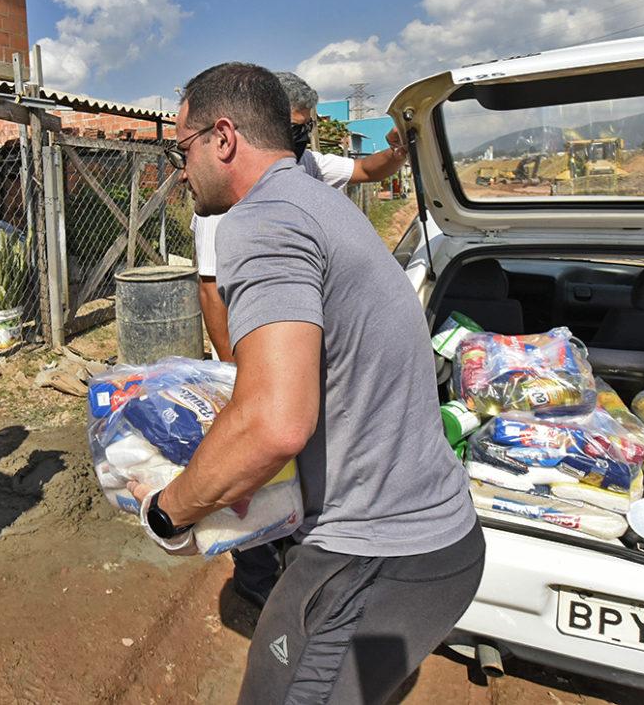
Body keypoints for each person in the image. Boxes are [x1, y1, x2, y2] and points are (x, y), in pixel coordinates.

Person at [132, 63, 482, 704]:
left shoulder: (260, 219)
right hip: (425, 540)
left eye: (181, 148)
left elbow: (273, 423)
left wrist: (168, 512)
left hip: (376, 556)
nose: (180, 170)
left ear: (224, 137)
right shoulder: (317, 199)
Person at [191, 72, 410, 609]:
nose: (299, 139)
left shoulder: (306, 175)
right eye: (292, 127)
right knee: (259, 471)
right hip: (252, 349)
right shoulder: (229, 207)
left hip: (296, 347)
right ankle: (257, 570)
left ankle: (294, 549)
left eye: (303, 128)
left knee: (287, 459)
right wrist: (234, 368)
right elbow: (211, 291)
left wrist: (401, 150)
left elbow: (364, 168)